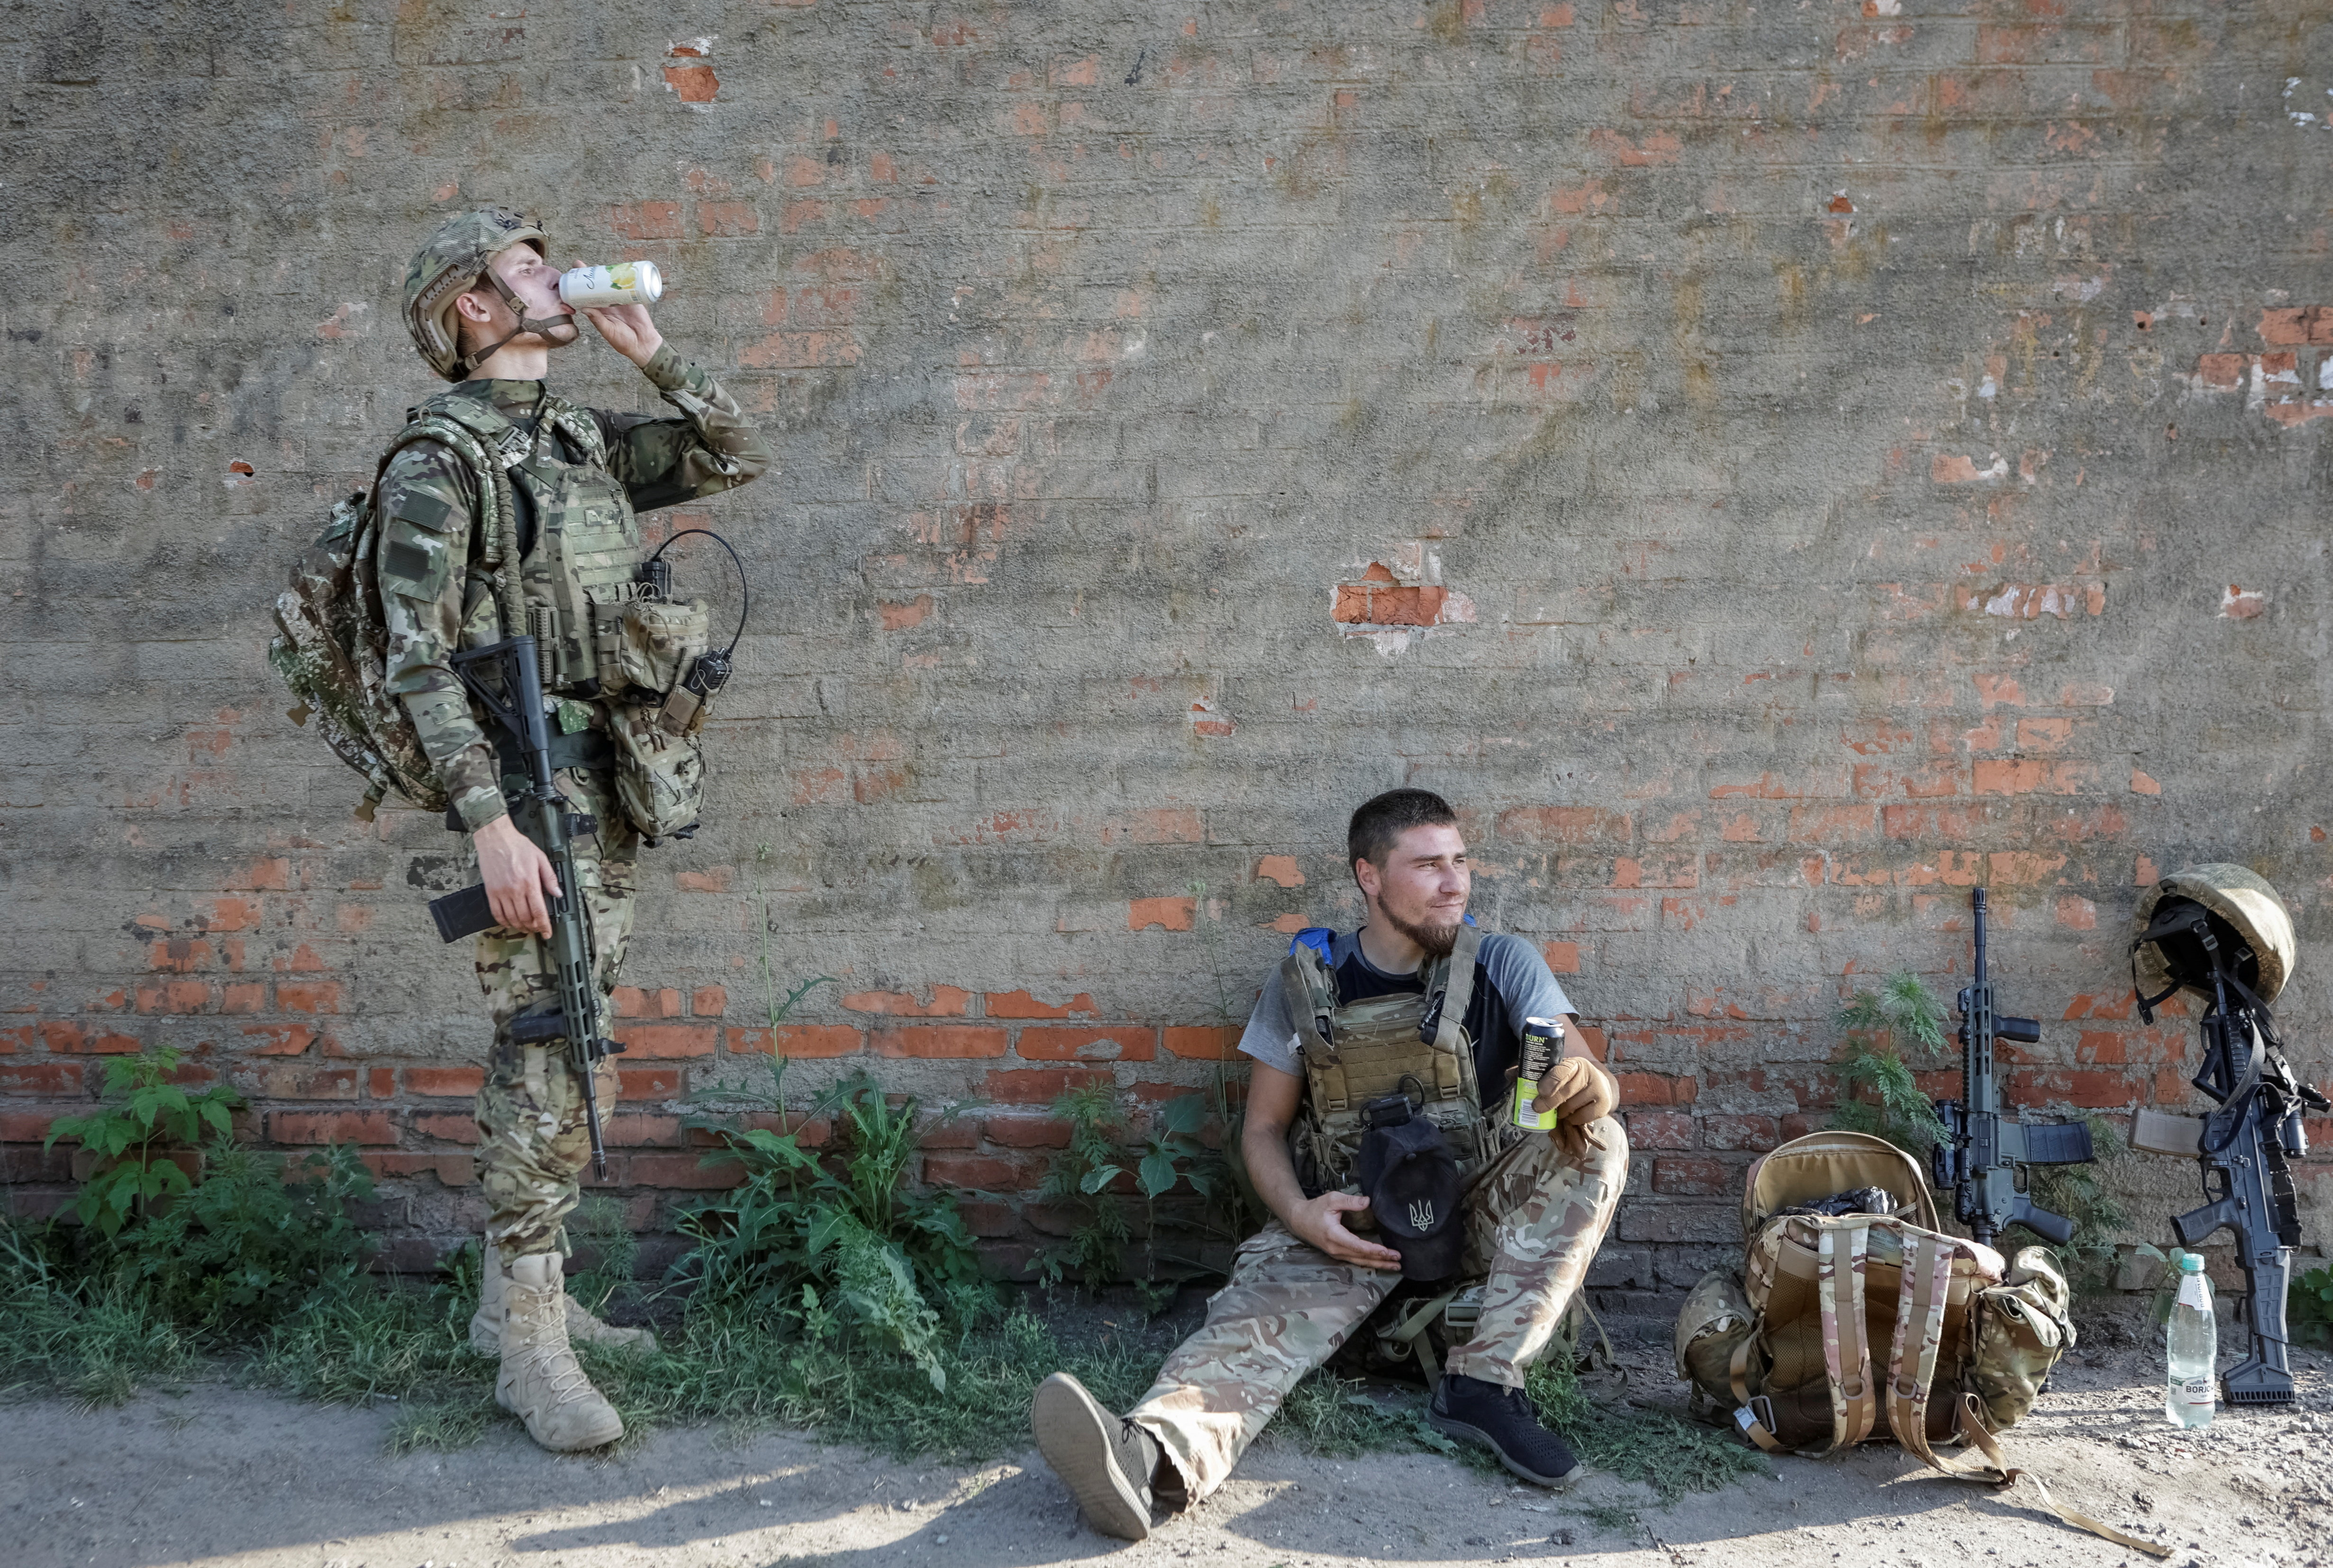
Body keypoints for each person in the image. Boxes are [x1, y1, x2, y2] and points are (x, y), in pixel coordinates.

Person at [383, 208, 770, 1451]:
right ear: (473, 312)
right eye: (523, 267)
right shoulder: (440, 465)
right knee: (546, 1045)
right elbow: (416, 658)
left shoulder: (576, 435)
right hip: (517, 788)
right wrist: (489, 826)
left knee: (580, 1027)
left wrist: (652, 350)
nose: (554, 276)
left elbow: (733, 448)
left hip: (601, 775)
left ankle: (517, 1299)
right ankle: (531, 1349)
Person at [1031, 789, 1628, 1539]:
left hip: (1474, 1212)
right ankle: (1149, 1457)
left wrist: (1590, 1087)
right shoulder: (1306, 980)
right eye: (1429, 865)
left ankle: (1483, 1382)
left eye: (1461, 862)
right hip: (1353, 1220)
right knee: (1251, 1317)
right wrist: (1302, 1216)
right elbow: (1263, 1130)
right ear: (1370, 877)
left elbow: (1585, 1067)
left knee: (1601, 1136)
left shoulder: (1505, 961)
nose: (1456, 883)